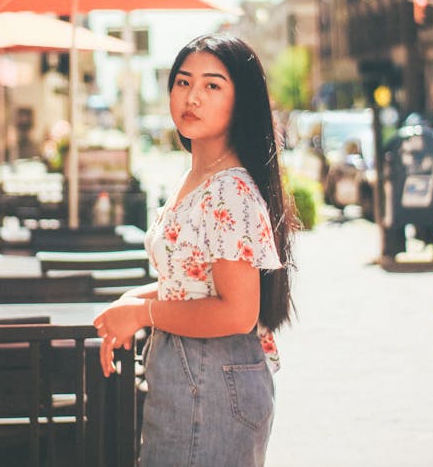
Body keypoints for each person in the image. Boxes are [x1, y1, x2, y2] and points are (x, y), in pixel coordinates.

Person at [94, 34, 298, 467]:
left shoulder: (229, 189)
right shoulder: (199, 177)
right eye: (183, 82)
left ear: (241, 101)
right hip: (193, 377)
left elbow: (236, 312)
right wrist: (137, 299)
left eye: (212, 85)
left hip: (210, 381)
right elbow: (191, 280)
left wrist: (142, 314)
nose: (193, 97)